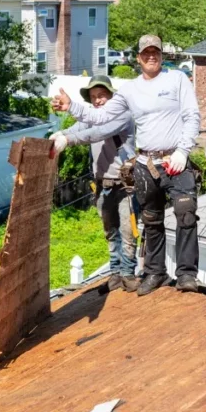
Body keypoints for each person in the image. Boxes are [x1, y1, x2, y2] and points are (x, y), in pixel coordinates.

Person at [52, 35, 200, 296]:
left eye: (155, 51)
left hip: (174, 160)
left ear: (162, 55)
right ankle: (155, 273)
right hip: (146, 163)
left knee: (185, 215)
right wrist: (71, 106)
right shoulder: (130, 90)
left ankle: (187, 275)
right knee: (151, 221)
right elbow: (100, 116)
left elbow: (191, 114)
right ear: (139, 58)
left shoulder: (177, 79)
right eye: (146, 52)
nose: (151, 56)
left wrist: (183, 150)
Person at [50, 75, 138, 292]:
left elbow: (98, 133)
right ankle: (115, 274)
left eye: (102, 96)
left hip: (125, 184)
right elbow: (79, 128)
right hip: (102, 184)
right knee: (110, 231)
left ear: (112, 96)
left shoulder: (123, 115)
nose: (98, 101)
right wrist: (61, 133)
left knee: (128, 232)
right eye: (94, 97)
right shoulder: (92, 118)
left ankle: (128, 274)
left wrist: (68, 140)